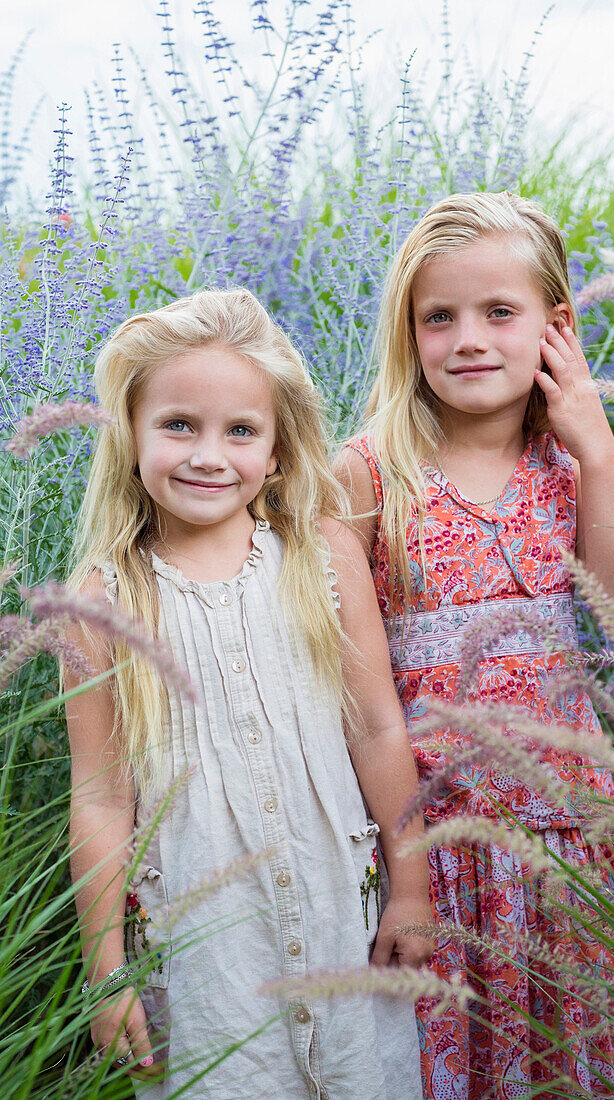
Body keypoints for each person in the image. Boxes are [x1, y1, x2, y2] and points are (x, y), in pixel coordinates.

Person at [337, 192, 614, 1099]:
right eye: (438, 318)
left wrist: (598, 449)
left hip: (568, 844)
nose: (468, 340)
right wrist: (405, 879)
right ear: (408, 335)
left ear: (554, 325)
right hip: (436, 852)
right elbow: (366, 705)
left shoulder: (566, 470)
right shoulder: (371, 473)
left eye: (500, 313)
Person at [64, 288, 432, 1099]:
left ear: (275, 449)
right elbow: (99, 798)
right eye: (177, 425)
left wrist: (409, 886)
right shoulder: (103, 604)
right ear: (129, 436)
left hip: (342, 916)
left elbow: (375, 727)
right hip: (206, 944)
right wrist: (107, 971)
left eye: (240, 430)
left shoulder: (321, 556)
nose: (208, 454)